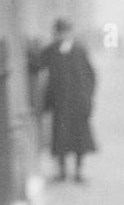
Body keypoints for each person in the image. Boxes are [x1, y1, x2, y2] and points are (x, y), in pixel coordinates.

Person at [38, 17, 97, 183]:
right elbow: (38, 63)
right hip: (60, 103)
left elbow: (90, 75)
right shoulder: (52, 51)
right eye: (60, 32)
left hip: (78, 102)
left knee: (80, 139)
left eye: (65, 32)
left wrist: (88, 96)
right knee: (61, 138)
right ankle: (62, 171)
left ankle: (78, 171)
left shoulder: (79, 51)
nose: (63, 36)